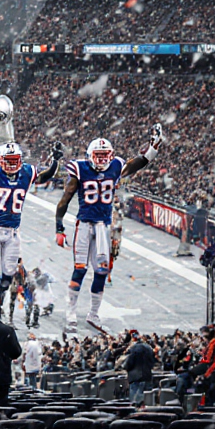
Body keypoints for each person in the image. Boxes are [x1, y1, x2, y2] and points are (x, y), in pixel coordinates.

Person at [55, 124, 165, 334]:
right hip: (85, 224)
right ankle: (71, 312)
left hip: (103, 225)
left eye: (106, 155)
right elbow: (65, 199)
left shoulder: (116, 166)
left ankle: (93, 313)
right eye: (99, 155)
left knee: (102, 271)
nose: (103, 159)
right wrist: (59, 226)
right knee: (80, 269)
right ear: (89, 155)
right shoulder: (80, 168)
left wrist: (154, 148)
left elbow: (139, 162)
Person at [0, 122, 63, 323]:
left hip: (13, 231)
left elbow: (44, 176)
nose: (11, 164)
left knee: (9, 273)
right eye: (7, 160)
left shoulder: (26, 172)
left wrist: (55, 163)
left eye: (14, 160)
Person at [122, 330, 155, 405]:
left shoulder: (134, 349)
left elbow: (129, 363)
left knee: (134, 401)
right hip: (147, 375)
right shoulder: (149, 348)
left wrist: (125, 367)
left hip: (135, 377)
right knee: (147, 399)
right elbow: (153, 362)